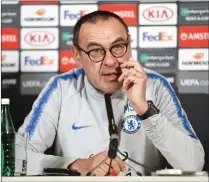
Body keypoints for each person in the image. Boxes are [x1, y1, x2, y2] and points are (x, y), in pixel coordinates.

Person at [16, 10, 205, 176]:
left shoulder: (155, 85)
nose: (110, 61)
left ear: (129, 45)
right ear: (77, 54)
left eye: (117, 47)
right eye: (95, 51)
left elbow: (193, 164)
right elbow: (14, 156)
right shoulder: (61, 88)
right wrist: (77, 165)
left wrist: (145, 110)